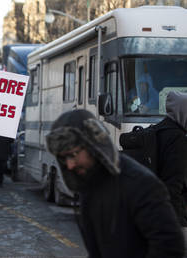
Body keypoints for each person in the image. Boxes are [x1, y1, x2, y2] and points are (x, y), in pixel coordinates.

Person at [45, 109, 185, 258]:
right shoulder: (89, 189)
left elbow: (170, 246)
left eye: (73, 154)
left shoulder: (139, 184)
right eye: (63, 158)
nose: (70, 165)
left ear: (92, 143)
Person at [155, 91, 187, 227]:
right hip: (172, 217)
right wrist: (177, 224)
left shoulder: (159, 129)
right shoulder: (177, 138)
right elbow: (173, 184)